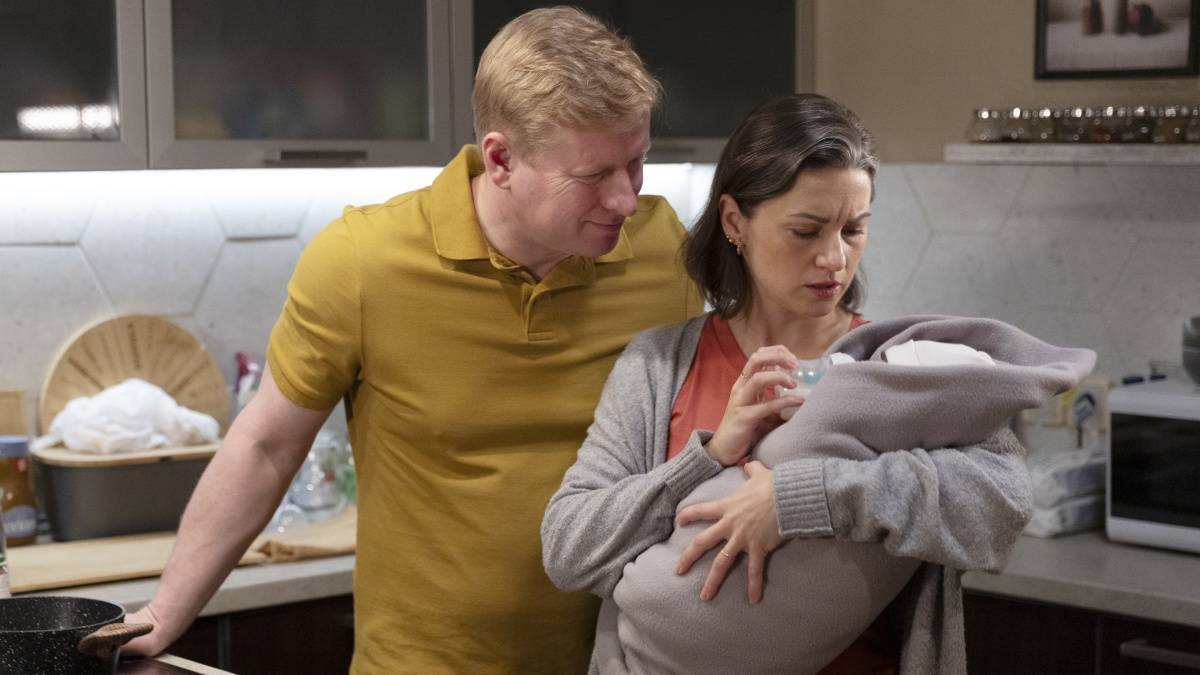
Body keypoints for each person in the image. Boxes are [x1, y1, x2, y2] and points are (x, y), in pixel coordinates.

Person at [124, 7, 702, 674]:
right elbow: (265, 446)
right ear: (501, 159)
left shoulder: (665, 253)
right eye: (594, 175)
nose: (626, 198)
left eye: (637, 162)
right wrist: (164, 612)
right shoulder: (365, 262)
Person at [541, 94, 1039, 674]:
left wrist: (804, 498)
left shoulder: (896, 364)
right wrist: (708, 457)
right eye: (806, 231)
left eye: (853, 230)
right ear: (735, 223)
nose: (834, 258)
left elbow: (1002, 506)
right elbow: (570, 550)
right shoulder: (659, 367)